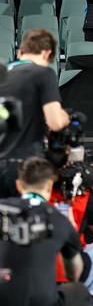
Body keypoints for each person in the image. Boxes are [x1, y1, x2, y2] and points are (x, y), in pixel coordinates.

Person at [0, 157, 91, 305]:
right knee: (79, 291)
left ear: (18, 185)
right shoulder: (60, 220)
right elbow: (74, 273)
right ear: (49, 186)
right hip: (41, 301)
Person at [0, 29, 70, 198]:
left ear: (21, 51)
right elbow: (54, 122)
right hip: (26, 168)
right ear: (47, 53)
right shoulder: (43, 73)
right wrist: (64, 117)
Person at [49, 156, 93, 304]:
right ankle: (89, 298)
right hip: (66, 270)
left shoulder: (21, 197)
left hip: (29, 273)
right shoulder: (82, 198)